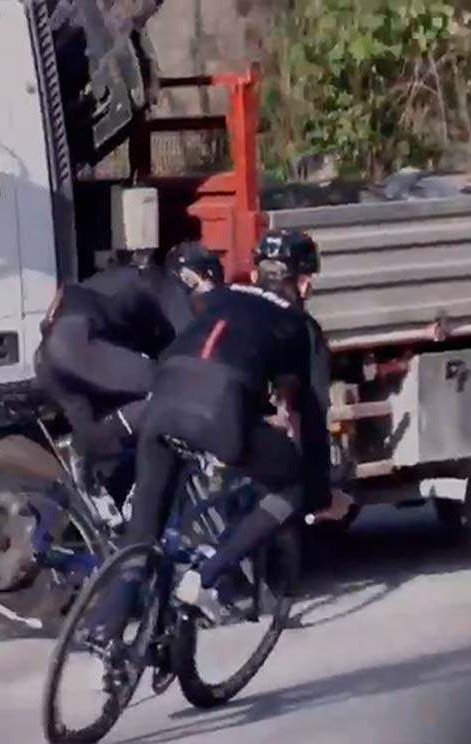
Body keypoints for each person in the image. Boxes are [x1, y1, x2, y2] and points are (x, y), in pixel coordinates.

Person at [86, 229, 353, 671]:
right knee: (294, 486)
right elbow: (311, 419)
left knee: (142, 535)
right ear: (304, 282)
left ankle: (105, 628)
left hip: (162, 402)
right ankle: (206, 577)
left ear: (256, 270)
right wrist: (321, 496)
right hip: (219, 413)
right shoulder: (302, 327)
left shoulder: (218, 298)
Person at [34, 241, 225, 472]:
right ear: (192, 276)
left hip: (50, 358)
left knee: (100, 446)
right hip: (75, 343)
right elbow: (193, 343)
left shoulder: (133, 279)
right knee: (172, 390)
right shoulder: (165, 285)